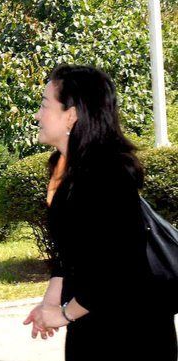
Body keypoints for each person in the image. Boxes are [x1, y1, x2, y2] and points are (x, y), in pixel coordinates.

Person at [23, 64, 177, 360]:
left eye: (44, 105)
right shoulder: (62, 167)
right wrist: (50, 303)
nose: (37, 116)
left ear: (71, 115)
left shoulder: (108, 175)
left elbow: (120, 268)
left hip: (132, 330)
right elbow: (70, 253)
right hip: (93, 322)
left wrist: (65, 314)